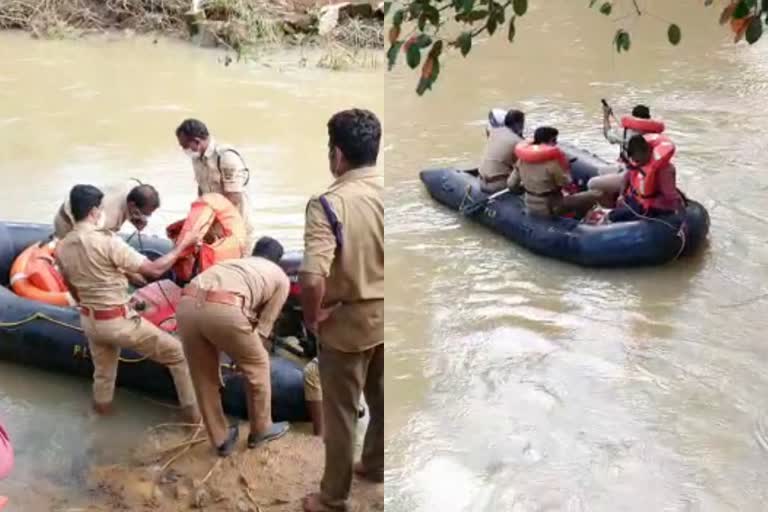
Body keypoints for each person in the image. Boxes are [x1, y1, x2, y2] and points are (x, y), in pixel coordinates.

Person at [56, 185, 201, 421]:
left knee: (103, 375)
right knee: (178, 355)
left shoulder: (63, 247)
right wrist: (183, 246)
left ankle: (100, 422)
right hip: (117, 321)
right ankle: (195, 423)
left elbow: (73, 286)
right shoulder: (107, 241)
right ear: (94, 211)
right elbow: (154, 270)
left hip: (90, 321)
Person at [300, 109, 384, 512]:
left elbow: (312, 276)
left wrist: (311, 317)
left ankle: (333, 497)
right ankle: (375, 465)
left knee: (340, 415)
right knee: (382, 400)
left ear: (337, 154)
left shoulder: (328, 204)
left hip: (348, 324)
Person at [176, 236, 291, 456]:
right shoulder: (280, 277)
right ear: (278, 261)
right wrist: (244, 357)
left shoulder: (234, 263)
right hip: (225, 308)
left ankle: (220, 439)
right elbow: (263, 329)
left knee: (203, 376)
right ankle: (261, 429)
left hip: (186, 304)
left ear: (254, 253)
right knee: (258, 365)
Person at [175, 118, 257, 252]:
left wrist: (209, 221)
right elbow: (202, 189)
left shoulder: (226, 157)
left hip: (236, 226)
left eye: (185, 146)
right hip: (213, 225)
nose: (184, 150)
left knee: (237, 266)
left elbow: (233, 198)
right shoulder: (197, 157)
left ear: (197, 141)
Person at [508, 126, 600, 218]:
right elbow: (566, 183)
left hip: (530, 204)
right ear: (548, 141)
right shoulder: (552, 164)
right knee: (594, 194)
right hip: (550, 206)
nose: (556, 144)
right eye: (554, 140)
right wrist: (566, 168)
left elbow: (511, 184)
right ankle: (580, 220)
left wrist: (528, 188)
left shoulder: (521, 160)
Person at [589, 104, 666, 205]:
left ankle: (608, 207)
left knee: (592, 183)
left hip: (632, 173)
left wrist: (606, 115)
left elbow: (607, 133)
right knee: (601, 171)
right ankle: (614, 197)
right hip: (634, 169)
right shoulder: (656, 136)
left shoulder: (625, 133)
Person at [608, 134, 683, 223]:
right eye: (635, 161)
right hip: (635, 199)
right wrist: (621, 194)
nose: (637, 164)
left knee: (614, 217)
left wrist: (682, 217)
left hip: (651, 208)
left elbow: (670, 196)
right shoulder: (637, 162)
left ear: (647, 151)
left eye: (639, 161)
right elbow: (627, 176)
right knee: (615, 213)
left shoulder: (665, 171)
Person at [53, 181, 160, 239]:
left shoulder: (134, 186)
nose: (144, 218)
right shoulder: (107, 217)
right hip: (67, 222)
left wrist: (135, 219)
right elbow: (95, 243)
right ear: (132, 205)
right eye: (144, 214)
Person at [478, 109, 525, 193]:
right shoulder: (518, 142)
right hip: (497, 186)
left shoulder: (494, 131)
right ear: (519, 124)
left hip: (481, 182)